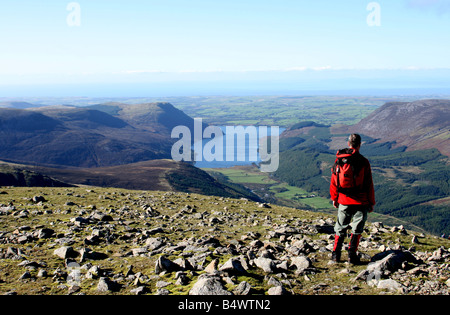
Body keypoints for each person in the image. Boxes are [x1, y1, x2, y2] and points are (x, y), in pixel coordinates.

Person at [330, 134, 375, 264]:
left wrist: (335, 198)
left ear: (349, 143)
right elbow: (368, 184)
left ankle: (336, 254)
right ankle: (351, 255)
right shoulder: (363, 162)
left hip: (343, 199)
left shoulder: (339, 160)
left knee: (340, 227)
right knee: (357, 228)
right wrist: (371, 202)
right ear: (360, 145)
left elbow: (334, 181)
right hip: (360, 200)